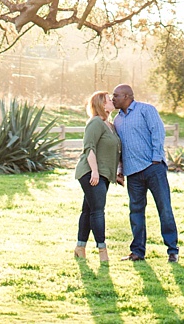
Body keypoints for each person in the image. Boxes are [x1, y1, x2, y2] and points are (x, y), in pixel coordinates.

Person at [110, 83, 179, 262]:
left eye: (116, 95)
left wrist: (156, 158)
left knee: (164, 208)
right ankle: (137, 252)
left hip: (153, 169)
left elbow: (158, 132)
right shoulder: (117, 120)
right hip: (133, 173)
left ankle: (172, 250)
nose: (113, 98)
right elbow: (120, 148)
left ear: (127, 96)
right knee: (136, 212)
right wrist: (120, 170)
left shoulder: (146, 110)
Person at [74, 90, 122, 263]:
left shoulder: (110, 125)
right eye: (109, 99)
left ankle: (80, 248)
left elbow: (112, 151)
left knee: (88, 210)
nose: (112, 101)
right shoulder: (95, 123)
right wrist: (94, 171)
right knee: (97, 211)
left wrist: (116, 173)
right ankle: (102, 251)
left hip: (103, 174)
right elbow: (89, 148)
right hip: (90, 173)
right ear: (102, 104)